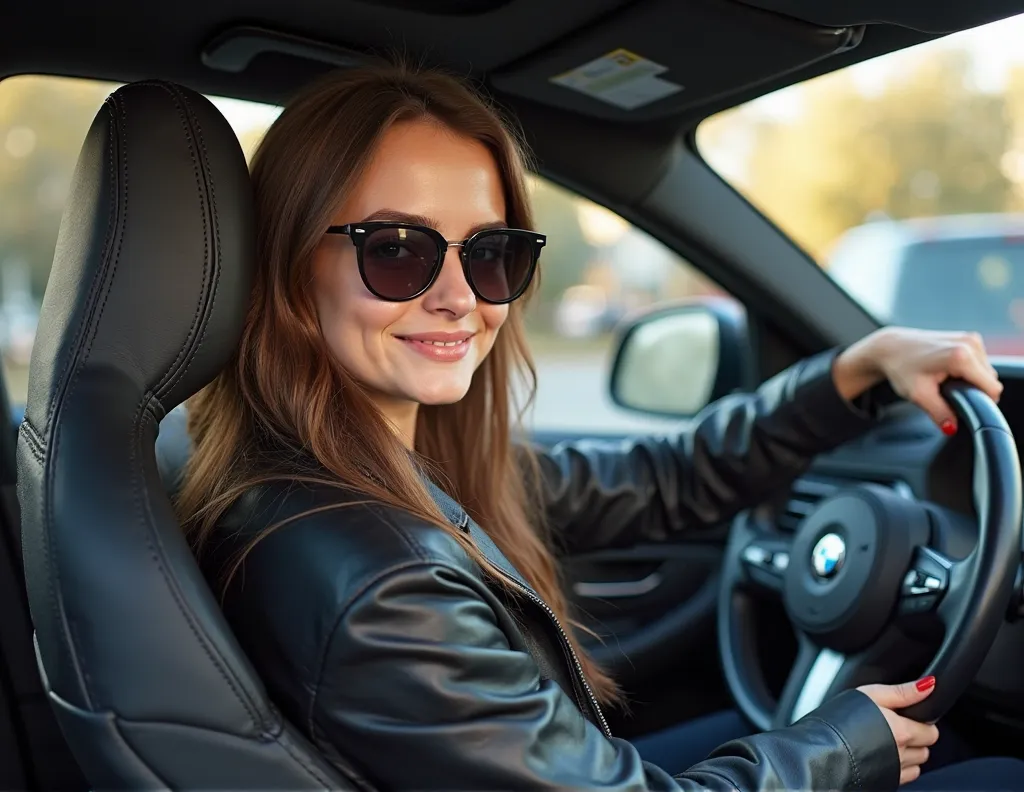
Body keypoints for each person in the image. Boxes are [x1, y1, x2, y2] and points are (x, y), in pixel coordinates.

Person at [175, 61, 1024, 791]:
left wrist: (854, 371)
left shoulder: (375, 472)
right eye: (396, 248)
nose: (459, 296)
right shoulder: (374, 583)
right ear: (289, 264)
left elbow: (665, 480)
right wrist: (841, 749)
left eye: (490, 251)